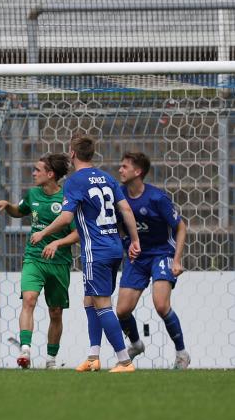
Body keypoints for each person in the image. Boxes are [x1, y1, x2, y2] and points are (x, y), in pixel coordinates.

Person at [31, 134, 141, 373]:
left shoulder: (74, 182)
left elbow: (66, 217)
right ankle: (93, 356)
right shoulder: (107, 178)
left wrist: (44, 233)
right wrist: (135, 240)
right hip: (114, 247)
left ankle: (124, 361)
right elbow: (125, 209)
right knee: (90, 299)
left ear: (72, 153)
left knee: (102, 303)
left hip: (96, 250)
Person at [0, 154, 78, 369]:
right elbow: (19, 211)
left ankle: (51, 359)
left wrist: (57, 243)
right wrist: (8, 205)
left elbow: (77, 234)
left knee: (55, 312)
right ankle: (25, 351)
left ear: (50, 174)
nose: (33, 173)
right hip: (34, 258)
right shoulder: (33, 194)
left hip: (59, 262)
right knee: (29, 299)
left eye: (38, 170)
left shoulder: (67, 199)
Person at [116, 152, 189, 369]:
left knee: (161, 305)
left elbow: (181, 227)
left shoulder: (157, 198)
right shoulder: (119, 196)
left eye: (125, 166)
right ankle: (136, 344)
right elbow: (118, 225)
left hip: (161, 253)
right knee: (122, 311)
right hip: (138, 257)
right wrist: (127, 243)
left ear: (137, 171)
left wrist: (177, 260)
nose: (120, 170)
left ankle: (182, 353)